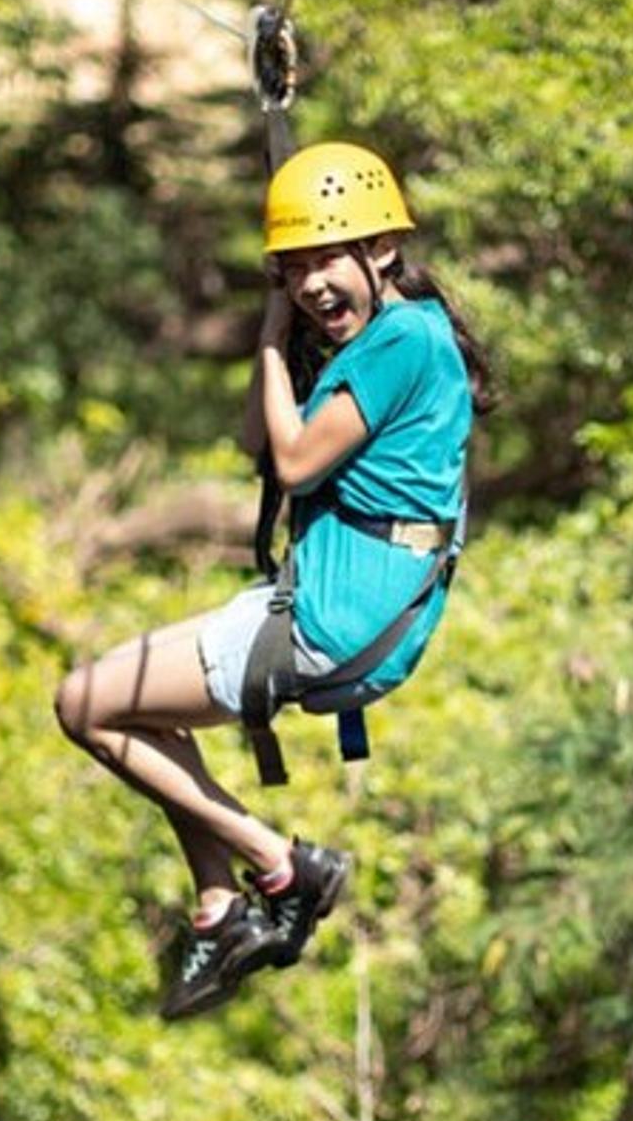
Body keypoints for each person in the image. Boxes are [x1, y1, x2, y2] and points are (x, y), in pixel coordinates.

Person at [54, 141, 494, 1020]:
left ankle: (285, 865)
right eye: (291, 270)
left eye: (326, 259)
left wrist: (264, 329)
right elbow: (262, 445)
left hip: (335, 617)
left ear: (383, 251)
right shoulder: (396, 335)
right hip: (349, 609)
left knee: (84, 704)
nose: (309, 286)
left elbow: (288, 461)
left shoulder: (399, 340)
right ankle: (220, 908)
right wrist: (285, 334)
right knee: (141, 714)